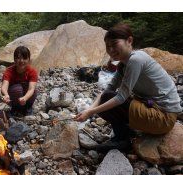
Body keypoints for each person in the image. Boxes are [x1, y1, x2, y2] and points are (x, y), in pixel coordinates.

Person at [75, 23, 182, 152]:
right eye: (108, 46)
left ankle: (122, 140)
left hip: (164, 117)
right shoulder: (123, 65)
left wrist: (91, 112)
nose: (111, 50)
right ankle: (126, 133)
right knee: (107, 97)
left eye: (114, 44)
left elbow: (120, 97)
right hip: (153, 108)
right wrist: (89, 110)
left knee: (110, 99)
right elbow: (108, 89)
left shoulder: (136, 60)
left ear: (129, 41)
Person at [1, 46, 38, 116]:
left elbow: (31, 89)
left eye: (24, 58)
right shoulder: (9, 71)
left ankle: (27, 108)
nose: (21, 61)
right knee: (18, 89)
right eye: (18, 58)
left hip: (26, 96)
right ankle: (15, 108)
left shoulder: (32, 72)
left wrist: (25, 98)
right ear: (14, 59)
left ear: (29, 59)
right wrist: (6, 95)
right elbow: (4, 86)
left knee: (34, 91)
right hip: (13, 96)